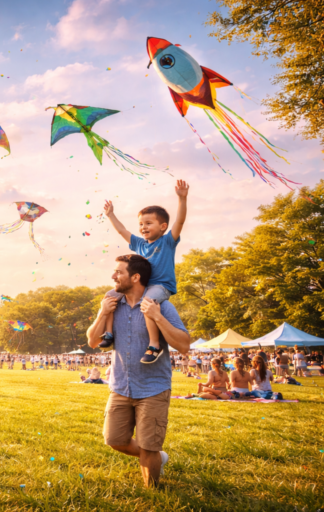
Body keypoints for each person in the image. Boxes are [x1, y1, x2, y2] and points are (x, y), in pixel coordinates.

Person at [87, 254, 190, 488]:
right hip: (120, 387)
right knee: (114, 440)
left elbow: (184, 344)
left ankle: (153, 492)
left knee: (149, 446)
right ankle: (158, 458)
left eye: (119, 272)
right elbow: (93, 342)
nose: (113, 276)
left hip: (153, 388)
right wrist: (102, 312)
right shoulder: (112, 306)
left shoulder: (161, 305)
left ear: (135, 277)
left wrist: (157, 317)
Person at [98, 180, 189, 364]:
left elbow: (179, 221)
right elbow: (122, 230)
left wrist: (182, 198)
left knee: (147, 304)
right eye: (141, 224)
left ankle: (154, 345)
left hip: (160, 286)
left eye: (149, 223)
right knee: (110, 295)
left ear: (163, 227)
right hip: (143, 286)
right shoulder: (139, 244)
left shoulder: (167, 241)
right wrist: (110, 215)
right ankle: (108, 333)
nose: (143, 227)